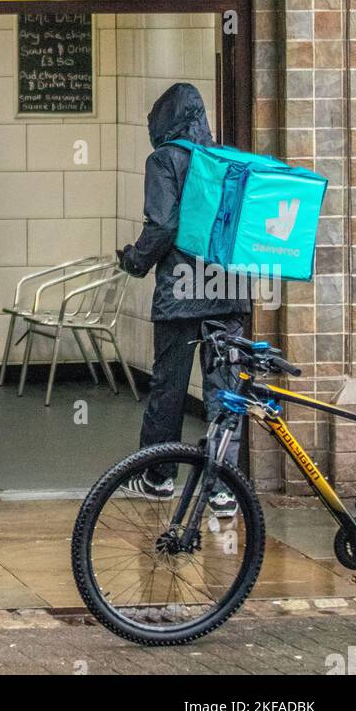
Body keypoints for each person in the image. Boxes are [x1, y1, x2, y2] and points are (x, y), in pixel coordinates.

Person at [116, 81, 250, 518]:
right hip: (227, 293)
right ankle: (224, 490)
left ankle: (159, 476)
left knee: (169, 387)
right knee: (224, 391)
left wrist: (135, 261)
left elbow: (161, 226)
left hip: (180, 294)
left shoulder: (165, 160)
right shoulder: (226, 162)